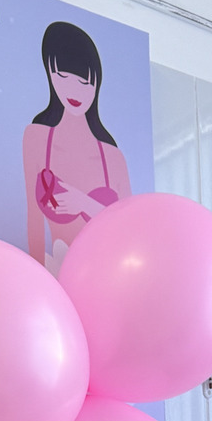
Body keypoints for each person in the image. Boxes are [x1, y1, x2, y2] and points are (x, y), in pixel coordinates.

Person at [22, 20, 132, 273]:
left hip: (110, 277)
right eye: (62, 76)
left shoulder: (113, 157)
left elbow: (128, 230)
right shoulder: (36, 138)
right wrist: (39, 277)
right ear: (49, 73)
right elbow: (34, 221)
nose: (75, 90)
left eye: (85, 83)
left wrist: (84, 203)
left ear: (97, 84)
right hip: (55, 274)